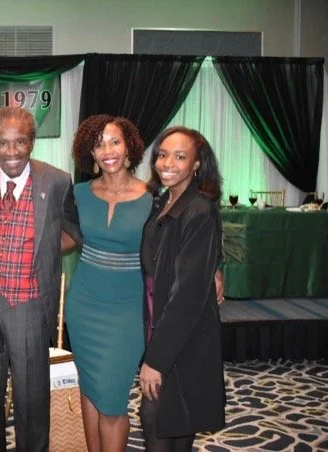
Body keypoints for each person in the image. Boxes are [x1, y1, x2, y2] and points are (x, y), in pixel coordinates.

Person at [0, 106, 82, 452]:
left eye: (20, 142)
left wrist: (43, 251)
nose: (11, 151)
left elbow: (73, 232)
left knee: (31, 396)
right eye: (2, 143)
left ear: (32, 143)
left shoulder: (56, 181)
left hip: (28, 305)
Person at [64, 115, 151, 452]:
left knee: (112, 400)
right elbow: (64, 239)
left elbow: (181, 240)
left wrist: (214, 267)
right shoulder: (79, 193)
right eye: (99, 145)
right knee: (89, 390)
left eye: (115, 142)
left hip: (128, 309)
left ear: (129, 148)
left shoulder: (152, 196)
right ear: (91, 153)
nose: (108, 151)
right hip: (84, 305)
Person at [139, 126, 226, 451]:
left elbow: (187, 295)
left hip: (183, 336)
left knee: (157, 416)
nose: (168, 163)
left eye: (179, 157)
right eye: (162, 155)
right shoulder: (164, 200)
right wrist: (216, 266)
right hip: (163, 325)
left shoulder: (198, 209)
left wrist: (156, 360)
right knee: (174, 422)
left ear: (196, 164)